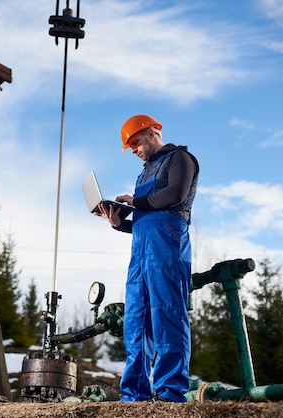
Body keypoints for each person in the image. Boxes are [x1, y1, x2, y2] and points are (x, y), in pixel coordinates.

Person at [96, 114, 199, 402]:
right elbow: (143, 217)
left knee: (168, 315)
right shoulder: (145, 171)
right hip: (141, 250)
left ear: (152, 133)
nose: (133, 150)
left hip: (168, 242)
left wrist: (136, 201)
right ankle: (134, 394)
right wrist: (120, 223)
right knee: (136, 320)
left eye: (135, 143)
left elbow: (175, 195)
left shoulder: (180, 159)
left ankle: (170, 390)